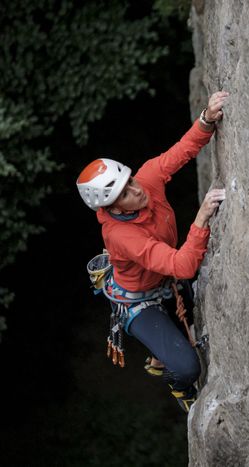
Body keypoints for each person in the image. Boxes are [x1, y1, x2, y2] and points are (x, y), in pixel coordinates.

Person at [76, 91, 229, 412]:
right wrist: (201, 217)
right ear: (113, 207)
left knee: (186, 308)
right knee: (189, 368)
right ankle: (177, 384)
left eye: (130, 181)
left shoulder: (146, 180)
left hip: (164, 280)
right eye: (125, 193)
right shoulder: (121, 236)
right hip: (140, 303)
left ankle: (160, 356)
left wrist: (206, 118)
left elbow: (182, 151)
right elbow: (183, 266)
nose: (137, 190)